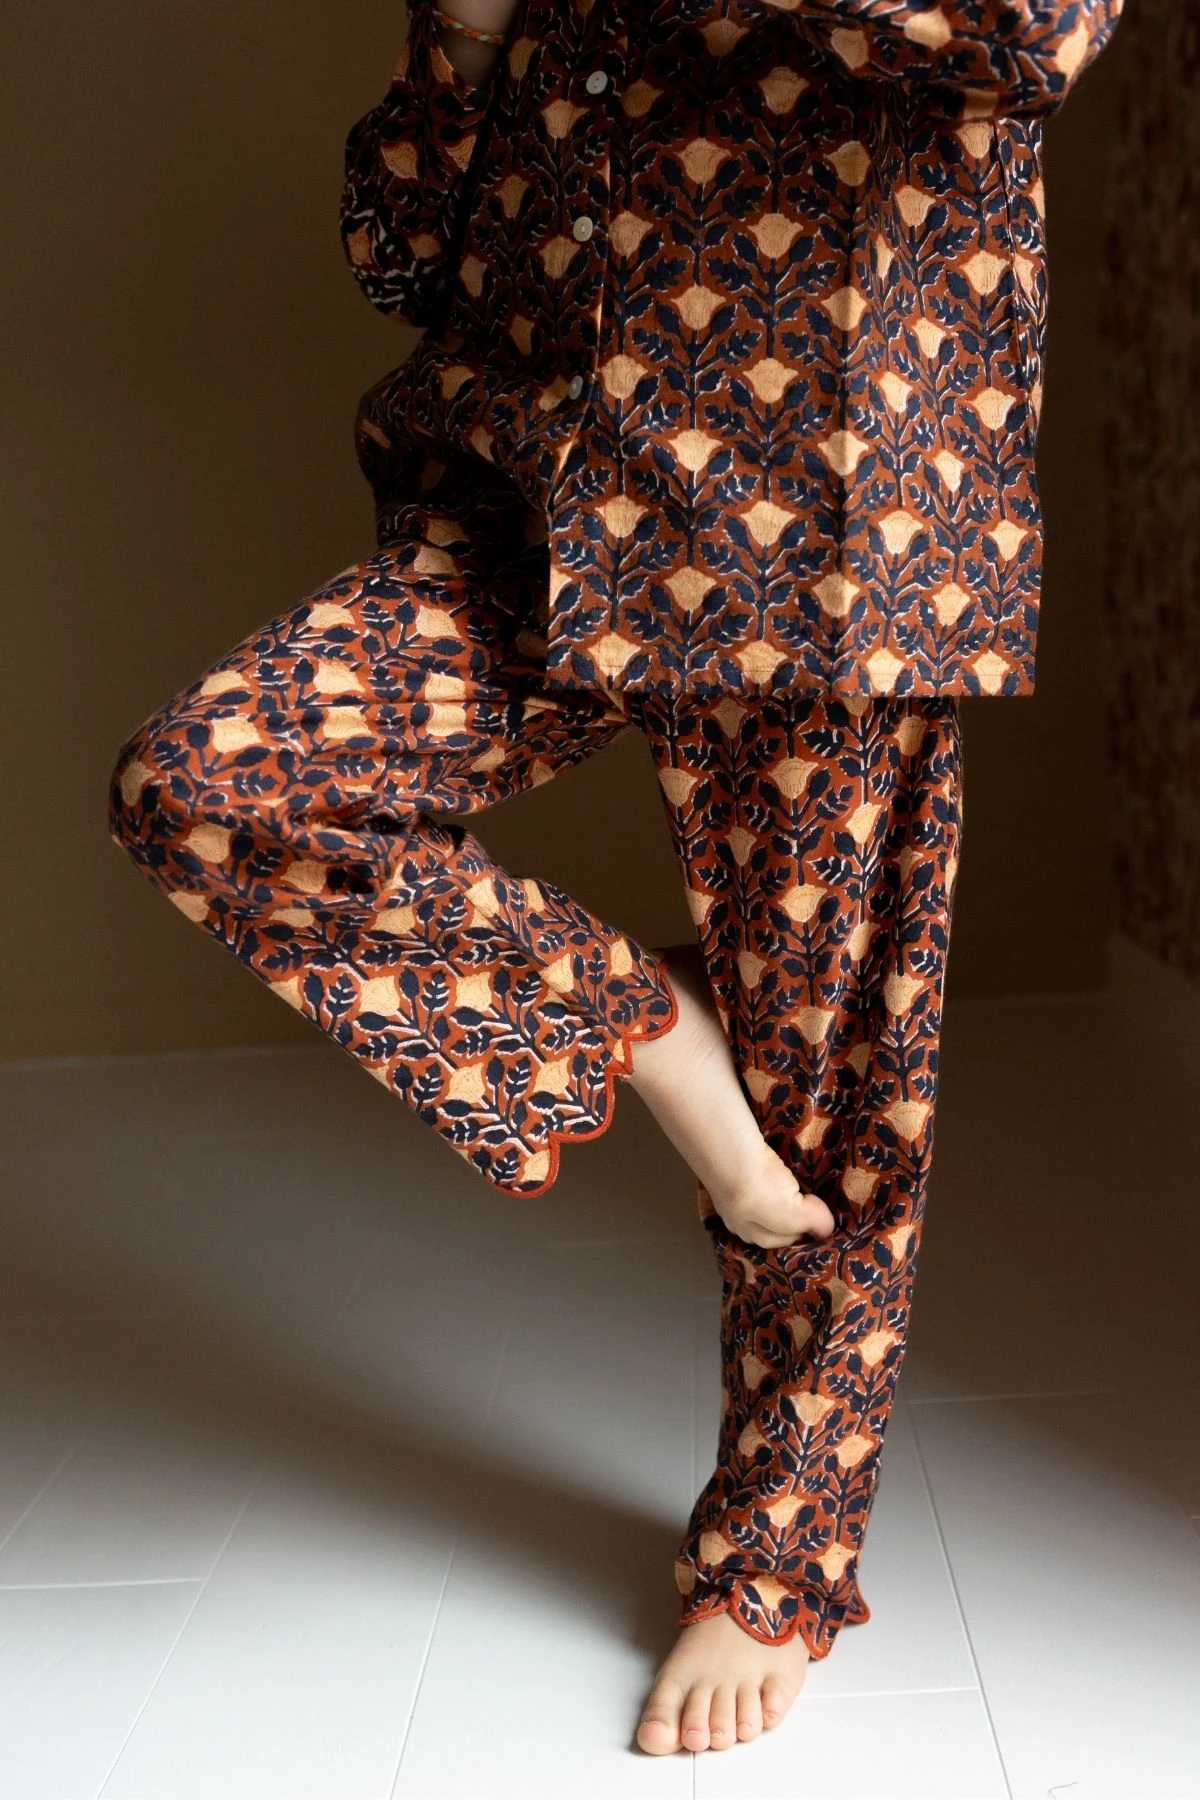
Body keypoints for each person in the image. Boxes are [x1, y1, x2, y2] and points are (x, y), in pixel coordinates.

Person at [106, 0, 1124, 1757]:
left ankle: (775, 1556)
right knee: (205, 785)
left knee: (828, 1093)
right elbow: (402, 252)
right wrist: (465, 41)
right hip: (527, 499)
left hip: (826, 509)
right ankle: (646, 1026)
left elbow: (1032, 32)